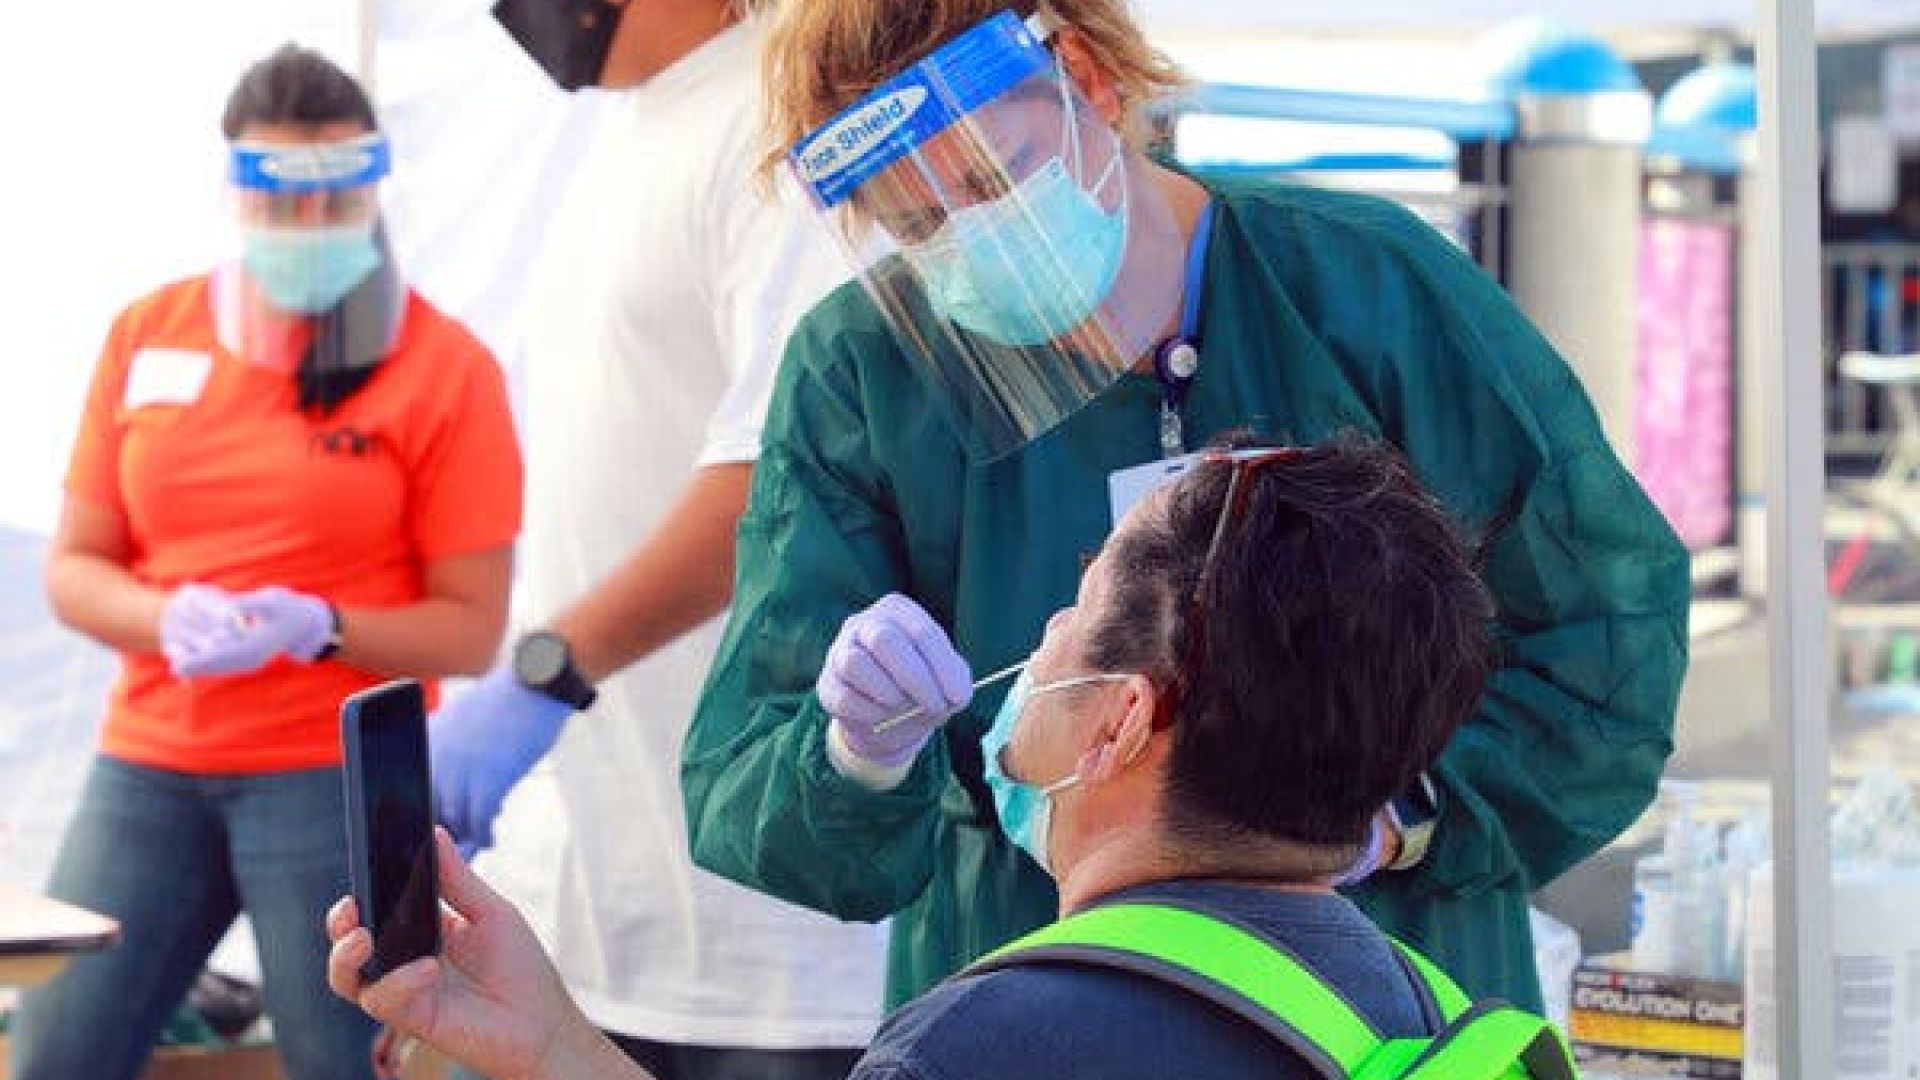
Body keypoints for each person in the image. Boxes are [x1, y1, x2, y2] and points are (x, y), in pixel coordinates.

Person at [678, 0, 1691, 1011]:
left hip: (1375, 985)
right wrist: (859, 754)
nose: (976, 241)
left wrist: (1391, 822)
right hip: (1046, 994)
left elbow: (1604, 640)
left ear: (1087, 79)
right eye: (920, 225)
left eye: (994, 180)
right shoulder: (867, 372)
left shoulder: (1362, 286)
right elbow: (749, 780)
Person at [327, 434, 1575, 1080]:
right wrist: (551, 1047)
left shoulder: (989, 1047)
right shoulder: (1415, 1007)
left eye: (1074, 608)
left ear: (1119, 721)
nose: (1038, 640)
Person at [11, 45, 522, 1080]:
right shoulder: (146, 335)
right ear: (235, 189)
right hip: (150, 762)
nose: (308, 225)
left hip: (332, 777)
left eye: (334, 198)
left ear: (373, 189)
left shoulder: (443, 368)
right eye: (281, 199)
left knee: (346, 1061)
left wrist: (322, 626)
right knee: (55, 1053)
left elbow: (471, 631)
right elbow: (74, 569)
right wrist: (164, 616)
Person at [421, 0, 887, 1076]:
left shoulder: (778, 118)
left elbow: (785, 476)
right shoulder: (631, 132)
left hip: (765, 935)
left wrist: (548, 671)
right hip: (601, 905)